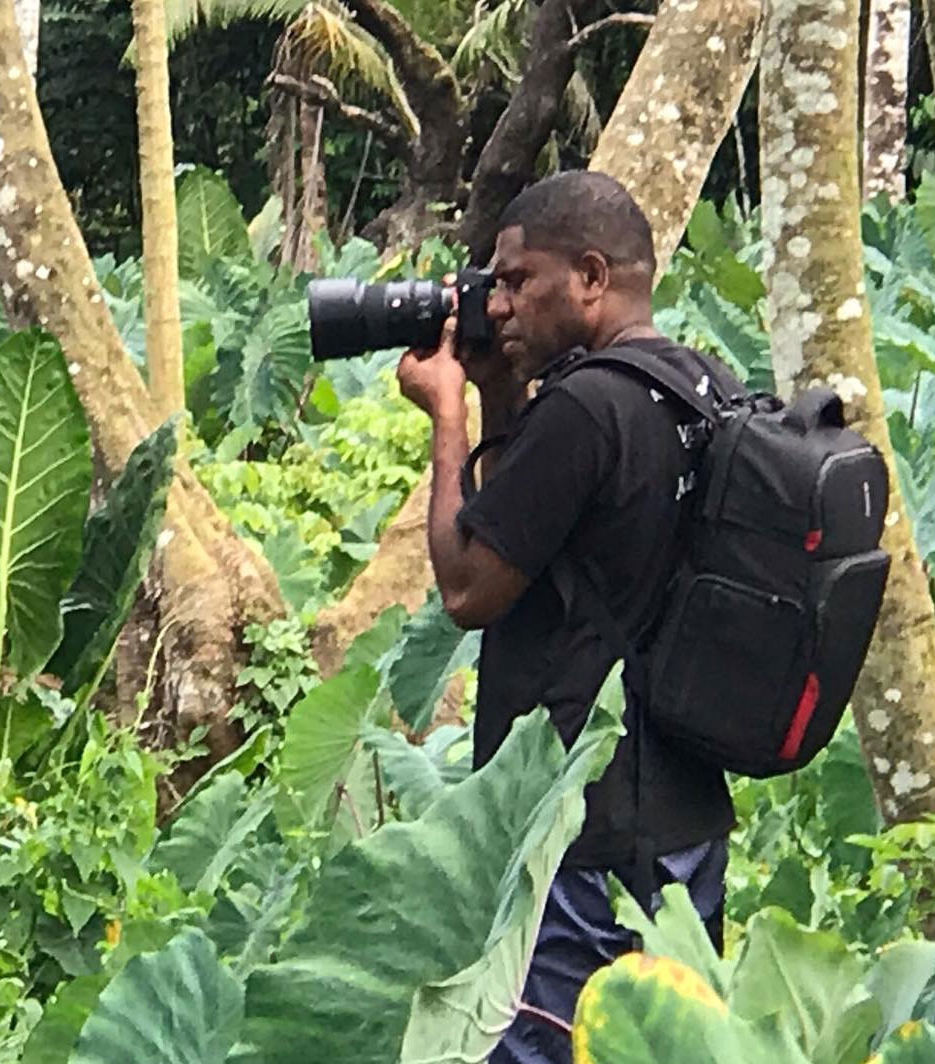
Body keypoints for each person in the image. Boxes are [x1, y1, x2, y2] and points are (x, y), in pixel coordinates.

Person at [396, 170, 740, 1063]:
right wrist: (503, 397)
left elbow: (470, 589)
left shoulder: (586, 409)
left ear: (589, 276)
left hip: (581, 830)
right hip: (683, 816)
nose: (496, 303)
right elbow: (572, 536)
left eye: (517, 281)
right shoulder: (698, 386)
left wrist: (447, 413)